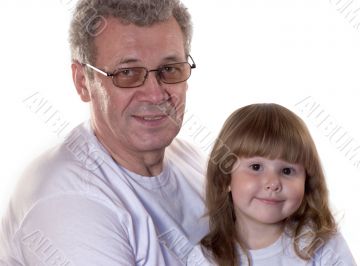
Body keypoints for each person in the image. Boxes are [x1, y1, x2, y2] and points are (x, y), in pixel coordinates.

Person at [0, 0, 208, 265]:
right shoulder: (69, 204)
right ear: (82, 81)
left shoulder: (188, 157)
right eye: (127, 73)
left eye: (169, 69)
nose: (156, 94)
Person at [187, 103, 357, 266]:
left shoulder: (322, 246)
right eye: (256, 167)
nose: (273, 183)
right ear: (225, 178)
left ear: (307, 181)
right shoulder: (206, 259)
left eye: (287, 171)